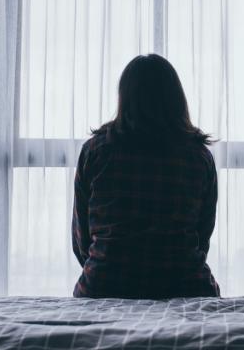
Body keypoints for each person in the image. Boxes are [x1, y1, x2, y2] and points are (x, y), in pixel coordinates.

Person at [71, 54, 220, 299]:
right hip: (186, 287)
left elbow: (81, 240)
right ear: (176, 99)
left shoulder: (95, 151)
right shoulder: (198, 157)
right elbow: (202, 236)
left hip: (103, 285)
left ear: (124, 98)